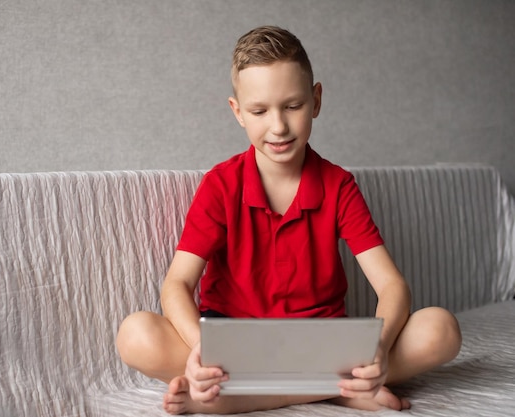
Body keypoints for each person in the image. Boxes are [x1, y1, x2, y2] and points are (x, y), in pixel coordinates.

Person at [116, 25, 462, 415]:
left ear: (315, 100)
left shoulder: (338, 185)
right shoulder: (219, 185)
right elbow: (176, 285)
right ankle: (337, 389)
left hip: (320, 344)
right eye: (260, 111)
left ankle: (231, 400)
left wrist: (376, 350)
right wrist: (201, 350)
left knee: (441, 329)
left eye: (292, 106)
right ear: (237, 112)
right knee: (135, 334)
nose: (278, 126)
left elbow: (392, 285)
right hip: (233, 347)